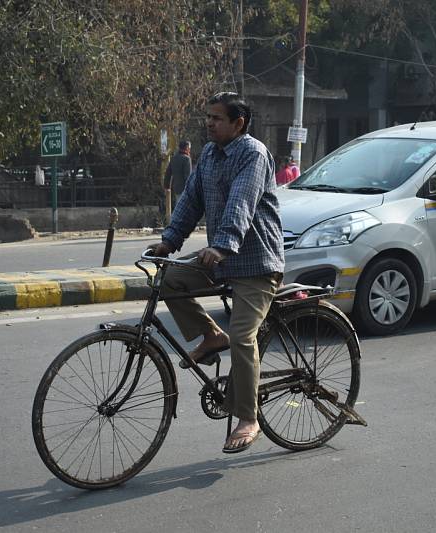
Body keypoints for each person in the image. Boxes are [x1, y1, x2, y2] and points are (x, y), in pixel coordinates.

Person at [147, 92, 284, 454]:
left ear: (239, 124)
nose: (209, 123)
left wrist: (222, 245)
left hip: (256, 263)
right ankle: (210, 335)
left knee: (242, 336)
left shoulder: (253, 154)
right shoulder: (208, 155)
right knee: (171, 278)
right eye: (207, 117)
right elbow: (191, 201)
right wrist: (169, 242)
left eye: (217, 118)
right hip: (221, 259)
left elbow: (241, 202)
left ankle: (249, 417)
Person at [164, 140, 192, 207]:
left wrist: (167, 187)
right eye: (189, 148)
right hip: (185, 190)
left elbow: (168, 174)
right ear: (187, 148)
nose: (190, 150)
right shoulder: (186, 159)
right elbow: (188, 176)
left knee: (178, 208)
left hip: (176, 189)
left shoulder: (173, 158)